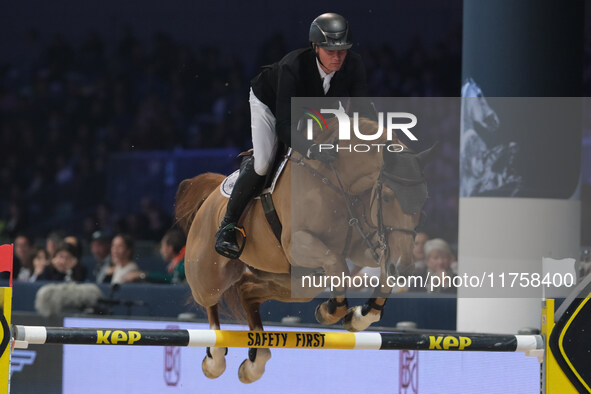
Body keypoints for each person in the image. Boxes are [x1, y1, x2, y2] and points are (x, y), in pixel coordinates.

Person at [215, 13, 374, 258]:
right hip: (270, 104)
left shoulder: (354, 64)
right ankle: (227, 224)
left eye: (342, 50)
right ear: (315, 47)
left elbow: (363, 112)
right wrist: (312, 149)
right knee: (264, 162)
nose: (337, 57)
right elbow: (284, 126)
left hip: (315, 108)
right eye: (330, 51)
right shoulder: (293, 67)